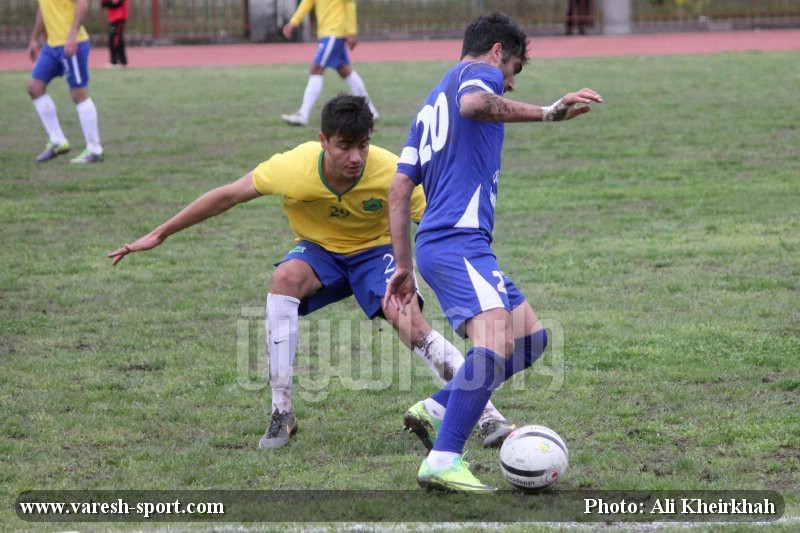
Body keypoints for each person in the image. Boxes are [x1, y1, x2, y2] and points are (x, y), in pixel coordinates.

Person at [108, 95, 513, 451]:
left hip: (377, 253)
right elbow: (228, 195)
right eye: (344, 147)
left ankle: (487, 414)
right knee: (284, 279)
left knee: (409, 321)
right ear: (323, 142)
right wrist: (160, 233)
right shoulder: (293, 167)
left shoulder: (390, 170)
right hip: (321, 251)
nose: (356, 157)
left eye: (363, 146)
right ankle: (281, 412)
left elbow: (441, 221)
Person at [385, 12, 603, 491]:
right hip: (456, 239)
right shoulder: (477, 74)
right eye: (514, 71)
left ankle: (440, 404)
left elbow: (399, 189)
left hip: (449, 244)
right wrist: (548, 112)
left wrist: (404, 266)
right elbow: (474, 104)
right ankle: (443, 458)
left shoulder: (428, 106)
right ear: (499, 52)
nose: (507, 84)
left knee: (530, 339)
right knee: (496, 342)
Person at [27, 0, 104, 163]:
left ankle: (94, 149)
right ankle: (57, 141)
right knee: (35, 87)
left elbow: (83, 3)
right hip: (52, 46)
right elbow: (44, 9)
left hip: (72, 43)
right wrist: (34, 39)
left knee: (79, 94)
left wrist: (72, 35)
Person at [280, 0, 379, 126]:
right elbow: (307, 2)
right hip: (328, 32)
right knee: (344, 70)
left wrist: (352, 32)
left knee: (316, 68)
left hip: (334, 32)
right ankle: (371, 110)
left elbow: (349, 4)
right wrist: (293, 22)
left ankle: (303, 115)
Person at [102, 0, 128, 67]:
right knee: (114, 39)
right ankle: (121, 62)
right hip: (113, 18)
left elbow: (116, 3)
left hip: (119, 17)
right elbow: (103, 4)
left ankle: (116, 62)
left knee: (115, 39)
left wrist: (108, 3)